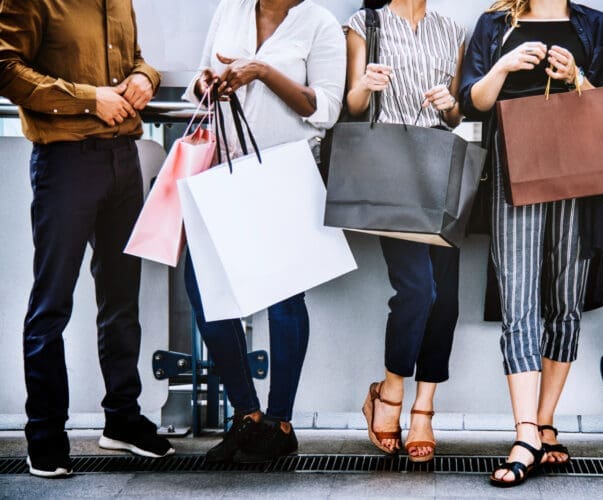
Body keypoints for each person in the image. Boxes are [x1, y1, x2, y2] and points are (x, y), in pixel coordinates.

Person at [0, 0, 174, 478]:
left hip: (123, 160)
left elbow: (134, 59)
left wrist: (146, 78)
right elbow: (5, 69)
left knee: (122, 299)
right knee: (51, 303)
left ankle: (122, 419)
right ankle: (45, 437)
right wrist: (86, 98)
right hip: (65, 164)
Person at [460, 0, 603, 487]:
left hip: (578, 169)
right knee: (518, 294)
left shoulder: (595, 26)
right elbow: (471, 101)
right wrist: (505, 65)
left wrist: (576, 77)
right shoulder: (494, 24)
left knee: (566, 297)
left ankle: (546, 421)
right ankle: (525, 432)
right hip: (513, 167)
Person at [181, 0, 345, 463]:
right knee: (204, 289)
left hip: (286, 174)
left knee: (284, 299)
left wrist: (261, 71)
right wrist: (206, 83)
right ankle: (247, 415)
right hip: (222, 170)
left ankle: (280, 423)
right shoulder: (230, 10)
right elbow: (199, 78)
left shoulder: (319, 22)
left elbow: (326, 109)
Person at [345, 0, 466, 463]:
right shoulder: (364, 23)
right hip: (391, 168)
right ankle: (389, 389)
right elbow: (354, 105)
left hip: (440, 167)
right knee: (418, 290)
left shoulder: (451, 29)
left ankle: (424, 409)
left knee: (447, 298)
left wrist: (450, 103)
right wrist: (365, 85)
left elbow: (454, 116)